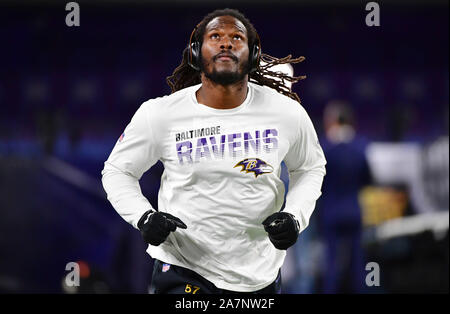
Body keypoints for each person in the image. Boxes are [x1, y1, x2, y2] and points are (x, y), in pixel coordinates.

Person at [101, 8, 326, 294]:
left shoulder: (287, 113)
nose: (226, 43)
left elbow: (310, 168)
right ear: (196, 52)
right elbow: (118, 170)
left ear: (254, 54)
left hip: (258, 277)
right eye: (215, 36)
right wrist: (143, 216)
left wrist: (295, 215)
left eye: (237, 37)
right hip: (184, 268)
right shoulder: (159, 114)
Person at [318, 100, 372, 293]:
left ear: (332, 121)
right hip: (354, 210)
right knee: (358, 262)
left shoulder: (325, 148)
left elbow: (317, 182)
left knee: (332, 263)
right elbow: (367, 178)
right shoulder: (359, 147)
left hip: (331, 211)